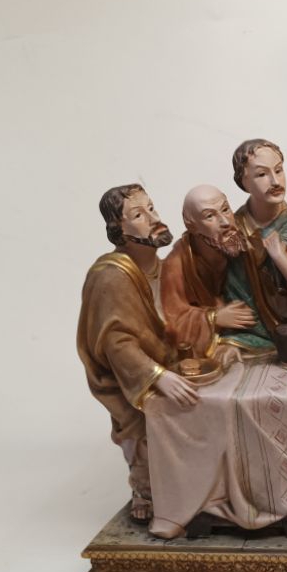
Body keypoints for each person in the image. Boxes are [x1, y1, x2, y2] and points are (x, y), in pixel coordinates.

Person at [77, 184, 199, 525]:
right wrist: (157, 376)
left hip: (173, 364)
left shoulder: (166, 268)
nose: (152, 218)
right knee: (143, 436)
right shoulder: (112, 276)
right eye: (137, 214)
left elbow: (184, 313)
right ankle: (145, 491)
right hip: (128, 378)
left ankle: (199, 487)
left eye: (152, 208)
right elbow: (116, 344)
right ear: (119, 229)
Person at [221, 138, 287, 355]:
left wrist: (280, 257)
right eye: (261, 174)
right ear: (243, 181)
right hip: (250, 329)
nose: (275, 181)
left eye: (278, 170)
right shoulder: (235, 228)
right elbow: (226, 290)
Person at [160, 184, 254, 360]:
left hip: (246, 337)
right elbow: (173, 322)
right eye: (210, 216)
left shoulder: (243, 244)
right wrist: (215, 318)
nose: (225, 222)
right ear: (192, 226)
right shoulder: (176, 265)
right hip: (212, 345)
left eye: (225, 209)